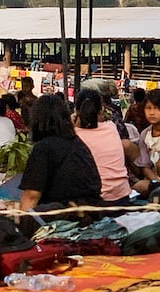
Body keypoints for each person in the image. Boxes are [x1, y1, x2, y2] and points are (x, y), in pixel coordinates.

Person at [18, 95, 102, 233]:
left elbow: (31, 195)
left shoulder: (44, 148)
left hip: (66, 215)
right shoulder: (77, 143)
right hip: (93, 211)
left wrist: (21, 225)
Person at [72, 89, 132, 205]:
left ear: (76, 111)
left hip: (96, 202)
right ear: (101, 110)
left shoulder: (73, 134)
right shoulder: (111, 127)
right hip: (122, 198)